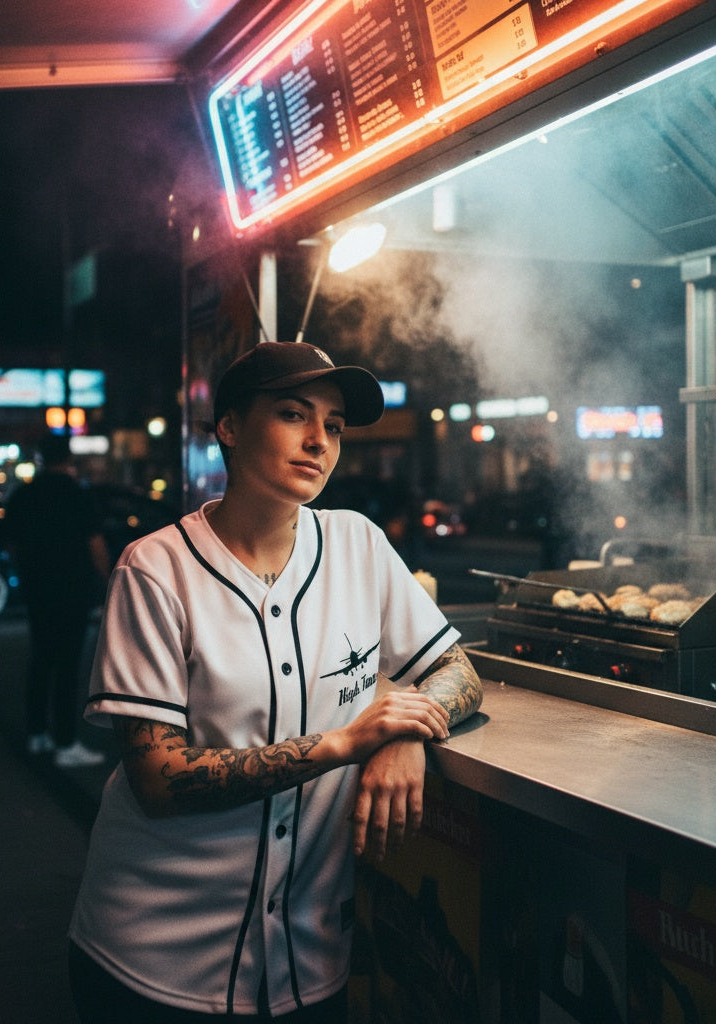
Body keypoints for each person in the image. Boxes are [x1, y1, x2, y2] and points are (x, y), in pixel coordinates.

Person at [67, 341, 484, 1022]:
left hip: (307, 956)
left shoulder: (357, 544)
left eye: (335, 426)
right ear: (230, 427)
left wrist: (404, 730)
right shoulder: (155, 570)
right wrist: (345, 744)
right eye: (294, 414)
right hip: (156, 958)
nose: (319, 440)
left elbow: (456, 670)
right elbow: (159, 779)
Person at [6, 433, 110, 768]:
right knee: (67, 665)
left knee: (40, 659)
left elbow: (13, 545)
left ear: (41, 458)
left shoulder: (24, 495)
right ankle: (66, 742)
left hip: (38, 590)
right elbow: (96, 545)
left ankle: (37, 733)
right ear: (68, 458)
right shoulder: (78, 495)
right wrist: (109, 581)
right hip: (72, 590)